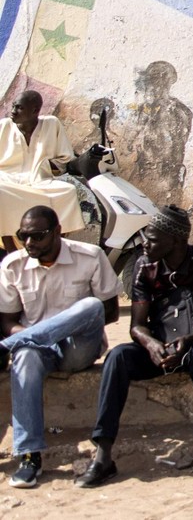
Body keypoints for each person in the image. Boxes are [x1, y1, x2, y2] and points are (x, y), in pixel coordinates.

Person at [77, 206, 193, 489]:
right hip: (161, 347)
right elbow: (137, 325)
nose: (145, 244)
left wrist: (188, 341)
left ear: (176, 241)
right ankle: (103, 455)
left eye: (153, 239)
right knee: (118, 357)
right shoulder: (144, 266)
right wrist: (152, 345)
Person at [0, 205, 120, 487]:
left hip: (78, 347)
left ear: (57, 232)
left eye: (38, 236)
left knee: (90, 306)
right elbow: (6, 321)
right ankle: (29, 456)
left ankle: (9, 346)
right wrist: (33, 337)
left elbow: (109, 312)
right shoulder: (12, 265)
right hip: (36, 349)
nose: (29, 243)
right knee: (25, 356)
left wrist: (53, 330)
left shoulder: (89, 256)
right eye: (23, 236)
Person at [0, 91, 103, 240]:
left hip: (40, 180)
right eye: (13, 106)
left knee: (67, 192)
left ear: (35, 110)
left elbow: (64, 158)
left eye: (19, 108)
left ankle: (55, 243)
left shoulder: (51, 124)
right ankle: (10, 248)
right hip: (6, 179)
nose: (13, 111)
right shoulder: (4, 126)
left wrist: (46, 165)